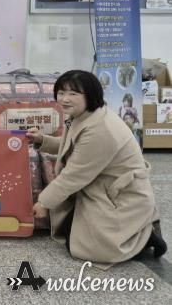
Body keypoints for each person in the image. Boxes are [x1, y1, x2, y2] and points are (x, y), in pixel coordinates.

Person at [26, 70, 166, 267]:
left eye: (73, 94)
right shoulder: (85, 115)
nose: (64, 99)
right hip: (101, 184)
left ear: (90, 95)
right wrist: (42, 140)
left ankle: (144, 236)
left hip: (119, 195)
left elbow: (73, 175)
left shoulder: (100, 129)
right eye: (61, 92)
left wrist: (44, 203)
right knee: (70, 232)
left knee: (87, 248)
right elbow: (74, 146)